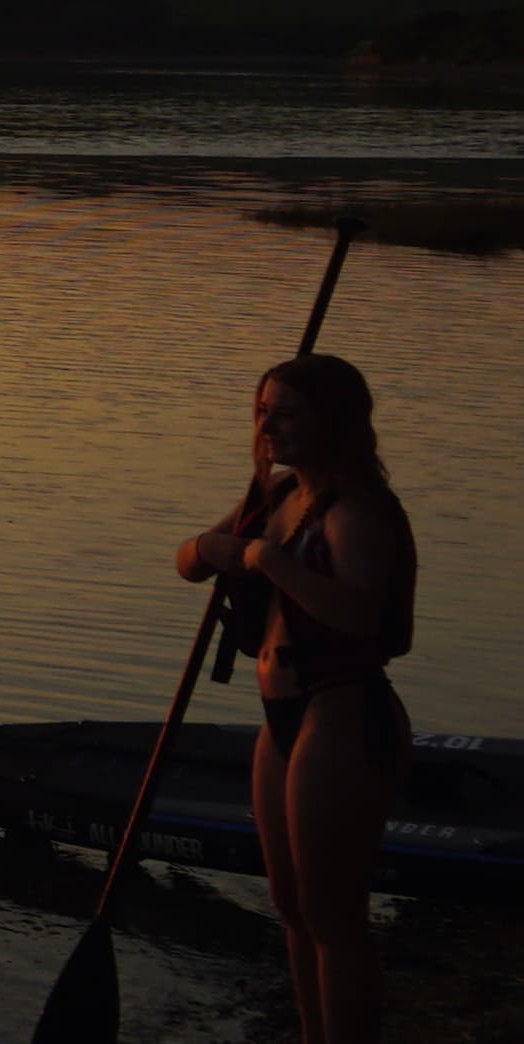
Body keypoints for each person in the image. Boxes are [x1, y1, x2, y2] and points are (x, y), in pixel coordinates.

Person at [183, 354, 417, 1044]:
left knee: (331, 913)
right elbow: (189, 560)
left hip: (341, 711)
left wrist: (267, 560)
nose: (268, 426)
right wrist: (211, 547)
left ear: (333, 421)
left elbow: (361, 618)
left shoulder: (360, 511)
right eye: (261, 411)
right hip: (279, 717)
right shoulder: (275, 494)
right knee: (289, 907)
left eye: (286, 413)